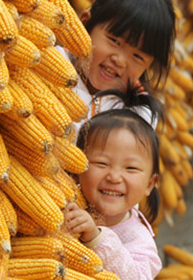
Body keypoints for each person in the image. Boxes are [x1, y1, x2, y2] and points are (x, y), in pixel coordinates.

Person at [62, 0, 176, 131]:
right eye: (115, 41)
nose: (120, 60)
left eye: (137, 56)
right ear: (85, 24)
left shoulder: (137, 116)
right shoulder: (48, 64)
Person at [63, 103, 163, 280]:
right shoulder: (65, 206)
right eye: (102, 164)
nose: (114, 177)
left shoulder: (139, 238)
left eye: (130, 168)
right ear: (77, 169)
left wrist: (96, 238)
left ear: (150, 184)